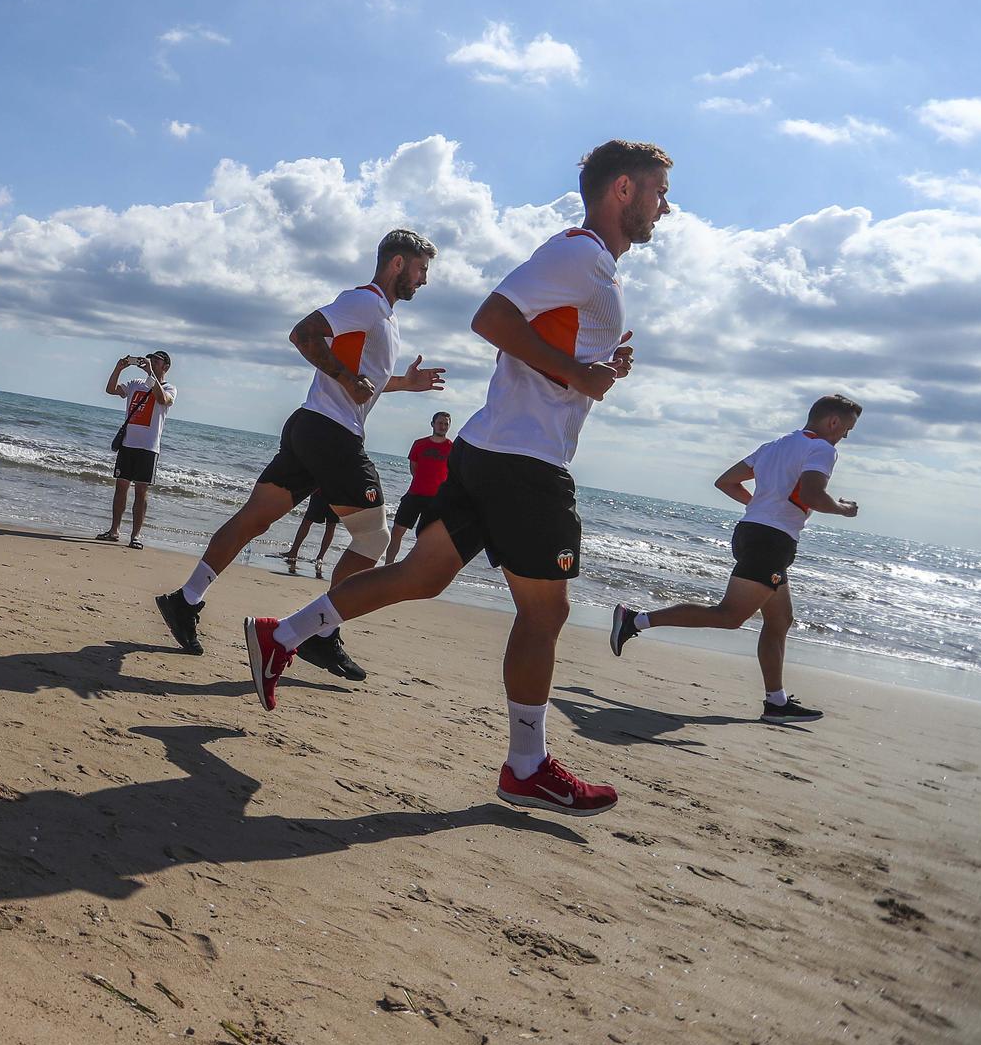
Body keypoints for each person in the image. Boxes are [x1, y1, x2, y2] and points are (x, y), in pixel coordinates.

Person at [243, 140, 671, 820]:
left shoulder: (598, 271)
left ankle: (282, 634)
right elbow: (491, 319)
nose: (665, 205)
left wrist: (601, 365)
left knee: (420, 576)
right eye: (656, 190)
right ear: (622, 189)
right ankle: (526, 766)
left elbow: (554, 351)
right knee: (546, 612)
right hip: (524, 462)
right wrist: (578, 372)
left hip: (487, 447)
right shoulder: (579, 253)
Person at [153, 230, 445, 684]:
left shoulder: (383, 316)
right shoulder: (364, 301)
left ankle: (185, 600)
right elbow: (304, 334)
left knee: (254, 518)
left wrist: (404, 383)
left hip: (312, 427)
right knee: (372, 540)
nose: (425, 280)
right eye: (422, 269)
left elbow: (365, 382)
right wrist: (347, 379)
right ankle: (320, 634)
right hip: (331, 434)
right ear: (397, 264)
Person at [609, 394, 861, 724]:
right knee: (729, 616)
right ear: (833, 422)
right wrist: (844, 509)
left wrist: (758, 507)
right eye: (847, 429)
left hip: (752, 534)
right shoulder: (824, 449)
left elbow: (726, 481)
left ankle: (776, 702)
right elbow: (813, 495)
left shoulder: (774, 445)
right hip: (771, 542)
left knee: (779, 620)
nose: (845, 436)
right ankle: (635, 620)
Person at [94, 351, 175, 549]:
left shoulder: (169, 388)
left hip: (148, 448)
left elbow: (162, 400)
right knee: (121, 487)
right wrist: (118, 368)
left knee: (141, 492)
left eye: (156, 360)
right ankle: (114, 531)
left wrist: (150, 374)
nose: (151, 361)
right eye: (150, 359)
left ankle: (136, 536)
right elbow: (110, 390)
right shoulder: (135, 383)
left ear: (165, 366)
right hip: (128, 445)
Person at [384, 411, 453, 563]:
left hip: (436, 499)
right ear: (433, 424)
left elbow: (452, 474)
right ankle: (387, 566)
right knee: (397, 531)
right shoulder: (419, 444)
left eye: (446, 424)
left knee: (426, 539)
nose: (442, 426)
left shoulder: (452, 448)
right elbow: (413, 468)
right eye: (440, 423)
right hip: (415, 494)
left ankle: (415, 570)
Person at [278, 494, 339, 573]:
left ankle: (294, 551)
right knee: (329, 526)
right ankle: (319, 557)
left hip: (326, 492)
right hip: (337, 494)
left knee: (308, 522)